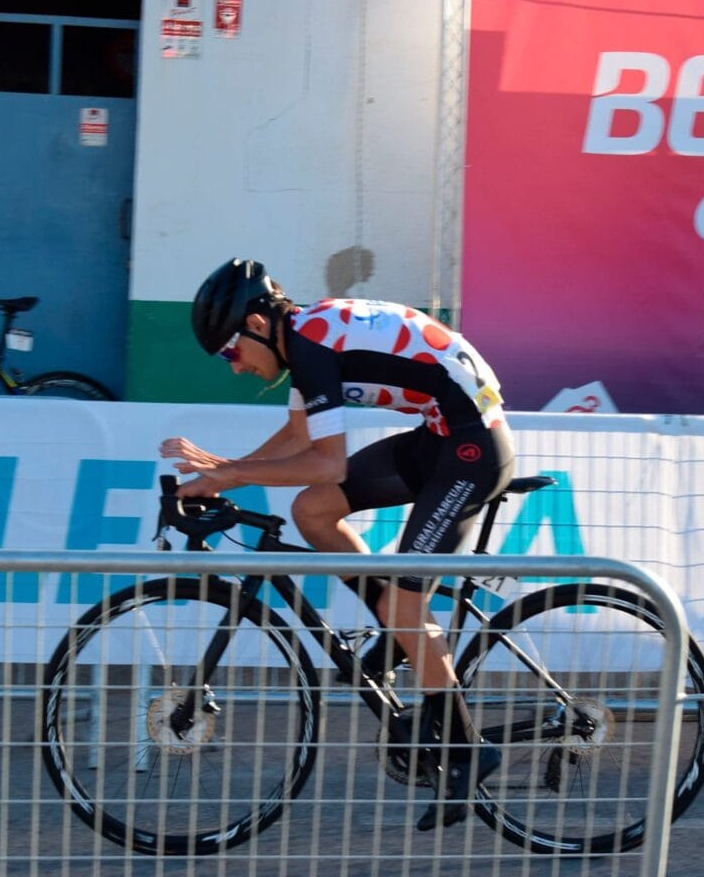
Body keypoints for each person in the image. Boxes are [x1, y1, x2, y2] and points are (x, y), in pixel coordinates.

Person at [160, 258, 514, 830]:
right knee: (312, 510)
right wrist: (219, 472)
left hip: (473, 448)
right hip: (441, 435)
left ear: (254, 323)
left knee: (403, 603)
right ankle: (395, 634)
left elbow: (326, 461)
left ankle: (469, 750)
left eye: (230, 353)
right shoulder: (306, 340)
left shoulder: (310, 342)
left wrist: (231, 473)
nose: (235, 369)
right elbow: (299, 439)